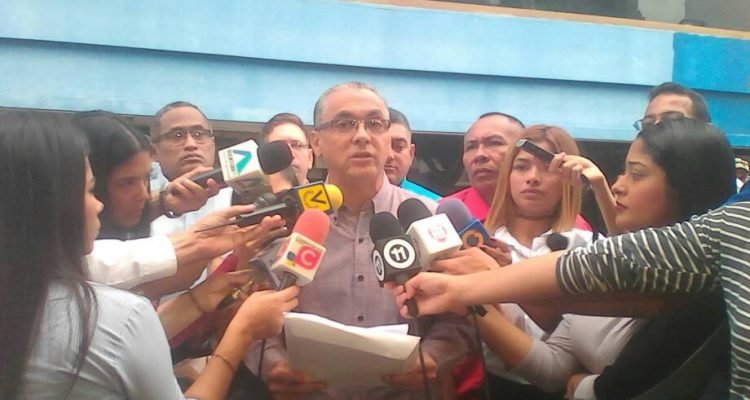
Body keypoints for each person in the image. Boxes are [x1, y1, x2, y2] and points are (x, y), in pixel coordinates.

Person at [394, 128, 750, 398]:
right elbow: (553, 367)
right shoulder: (615, 270)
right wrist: (472, 294)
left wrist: (478, 285)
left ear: (686, 185)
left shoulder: (699, 287)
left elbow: (618, 382)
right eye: (521, 167)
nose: (618, 186)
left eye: (637, 174)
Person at [0, 110, 300, 400]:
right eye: (91, 190)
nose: (98, 205)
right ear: (51, 204)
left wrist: (196, 298)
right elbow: (120, 327)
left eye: (146, 180)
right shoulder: (115, 315)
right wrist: (241, 332)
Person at [247, 82, 471, 399]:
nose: (362, 135)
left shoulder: (429, 221)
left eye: (375, 123)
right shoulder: (282, 223)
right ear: (316, 143)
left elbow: (462, 316)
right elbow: (250, 318)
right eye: (345, 124)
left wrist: (434, 357)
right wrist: (273, 364)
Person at [437, 125, 589, 399]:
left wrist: (506, 277)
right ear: (507, 175)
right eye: (521, 167)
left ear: (569, 178)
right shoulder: (479, 245)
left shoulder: (587, 246)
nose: (533, 178)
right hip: (492, 387)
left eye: (548, 168)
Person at [446, 112, 525, 221]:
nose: (479, 155)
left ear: (524, 152)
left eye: (494, 143)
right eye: (471, 147)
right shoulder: (441, 218)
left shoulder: (545, 211)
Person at [384, 108, 441, 200]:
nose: (389, 155)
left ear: (411, 154)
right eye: (383, 146)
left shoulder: (434, 204)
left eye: (399, 146)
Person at [260, 112, 314, 185]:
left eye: (296, 145)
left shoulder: (327, 192)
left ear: (310, 158)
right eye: (279, 147)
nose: (289, 154)